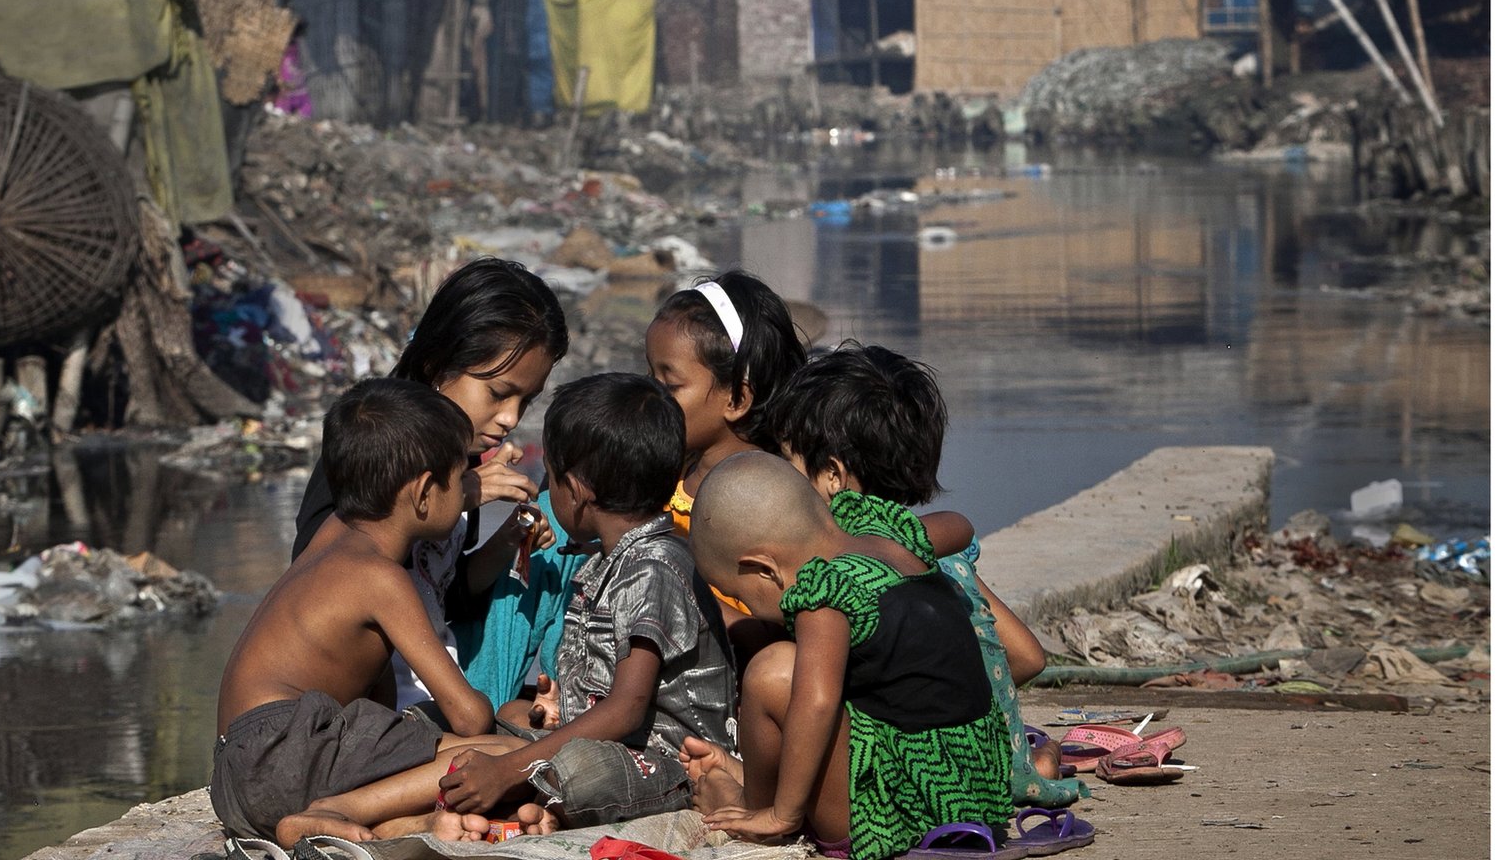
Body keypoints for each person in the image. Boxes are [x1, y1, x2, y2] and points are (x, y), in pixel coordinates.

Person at [211, 379, 546, 848]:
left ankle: (389, 827)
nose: (467, 492)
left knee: (467, 735)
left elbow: (378, 705)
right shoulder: (380, 576)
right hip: (290, 756)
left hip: (237, 774)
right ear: (425, 492)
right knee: (513, 755)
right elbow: (469, 717)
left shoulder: (332, 538)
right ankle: (333, 812)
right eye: (459, 480)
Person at [773, 342, 1084, 809]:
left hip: (920, 785)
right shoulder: (947, 561)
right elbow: (1028, 658)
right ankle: (1035, 762)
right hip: (992, 766)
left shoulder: (840, 579)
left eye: (789, 465)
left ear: (833, 476)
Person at [434, 374, 736, 831]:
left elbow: (626, 710)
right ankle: (527, 805)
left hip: (672, 764)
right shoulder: (606, 561)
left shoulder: (652, 567)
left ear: (575, 491)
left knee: (578, 771)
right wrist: (560, 707)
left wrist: (509, 771)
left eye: (550, 478)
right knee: (509, 716)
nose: (547, 490)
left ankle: (522, 805)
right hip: (617, 743)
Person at [683, 452, 1013, 860]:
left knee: (774, 672)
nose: (745, 605)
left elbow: (819, 703)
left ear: (765, 569)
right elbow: (961, 526)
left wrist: (783, 816)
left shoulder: (823, 593)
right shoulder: (890, 535)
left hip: (899, 815)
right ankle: (750, 782)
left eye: (738, 594)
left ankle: (756, 808)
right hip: (977, 793)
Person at [290, 258, 569, 714]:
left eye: (527, 400)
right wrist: (464, 491)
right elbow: (319, 574)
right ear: (440, 366)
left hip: (426, 679)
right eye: (498, 394)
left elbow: (444, 593)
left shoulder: (462, 454)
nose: (511, 419)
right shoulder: (373, 438)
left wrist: (508, 541)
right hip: (362, 700)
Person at [645, 270, 805, 537]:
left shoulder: (765, 500)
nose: (649, 393)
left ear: (737, 400)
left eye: (671, 385)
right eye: (650, 375)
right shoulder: (664, 474)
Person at [273, 20, 313, 118]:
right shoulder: (281, 49)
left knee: (304, 114)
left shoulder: (299, 47)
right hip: (288, 91)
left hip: (299, 90)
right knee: (280, 115)